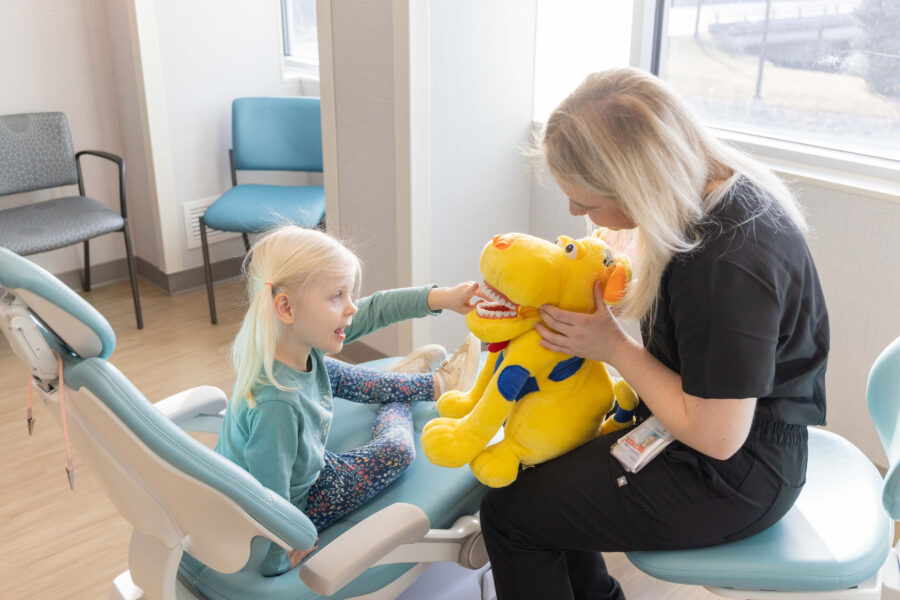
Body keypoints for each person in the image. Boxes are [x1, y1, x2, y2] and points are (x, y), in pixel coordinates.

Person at [479, 67, 829, 599]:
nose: (575, 211)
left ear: (640, 181)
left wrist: (613, 346)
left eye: (590, 202)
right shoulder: (711, 195)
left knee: (511, 514)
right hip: (716, 434)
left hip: (737, 472)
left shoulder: (729, 262)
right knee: (541, 483)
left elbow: (717, 435)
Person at [215, 225, 481, 577]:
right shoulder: (276, 406)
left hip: (299, 463)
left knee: (336, 372)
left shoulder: (291, 343)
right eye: (337, 296)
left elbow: (375, 309)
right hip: (305, 501)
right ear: (286, 307)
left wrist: (442, 298)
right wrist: (281, 554)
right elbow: (269, 499)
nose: (352, 306)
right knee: (398, 450)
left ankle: (431, 384)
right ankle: (405, 395)